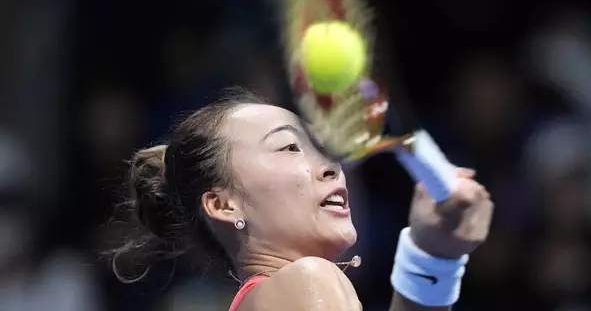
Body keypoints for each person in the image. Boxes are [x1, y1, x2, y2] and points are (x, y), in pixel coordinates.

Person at [107, 88, 493, 310]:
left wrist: (432, 255)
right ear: (224, 205)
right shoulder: (306, 282)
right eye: (290, 147)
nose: (330, 166)